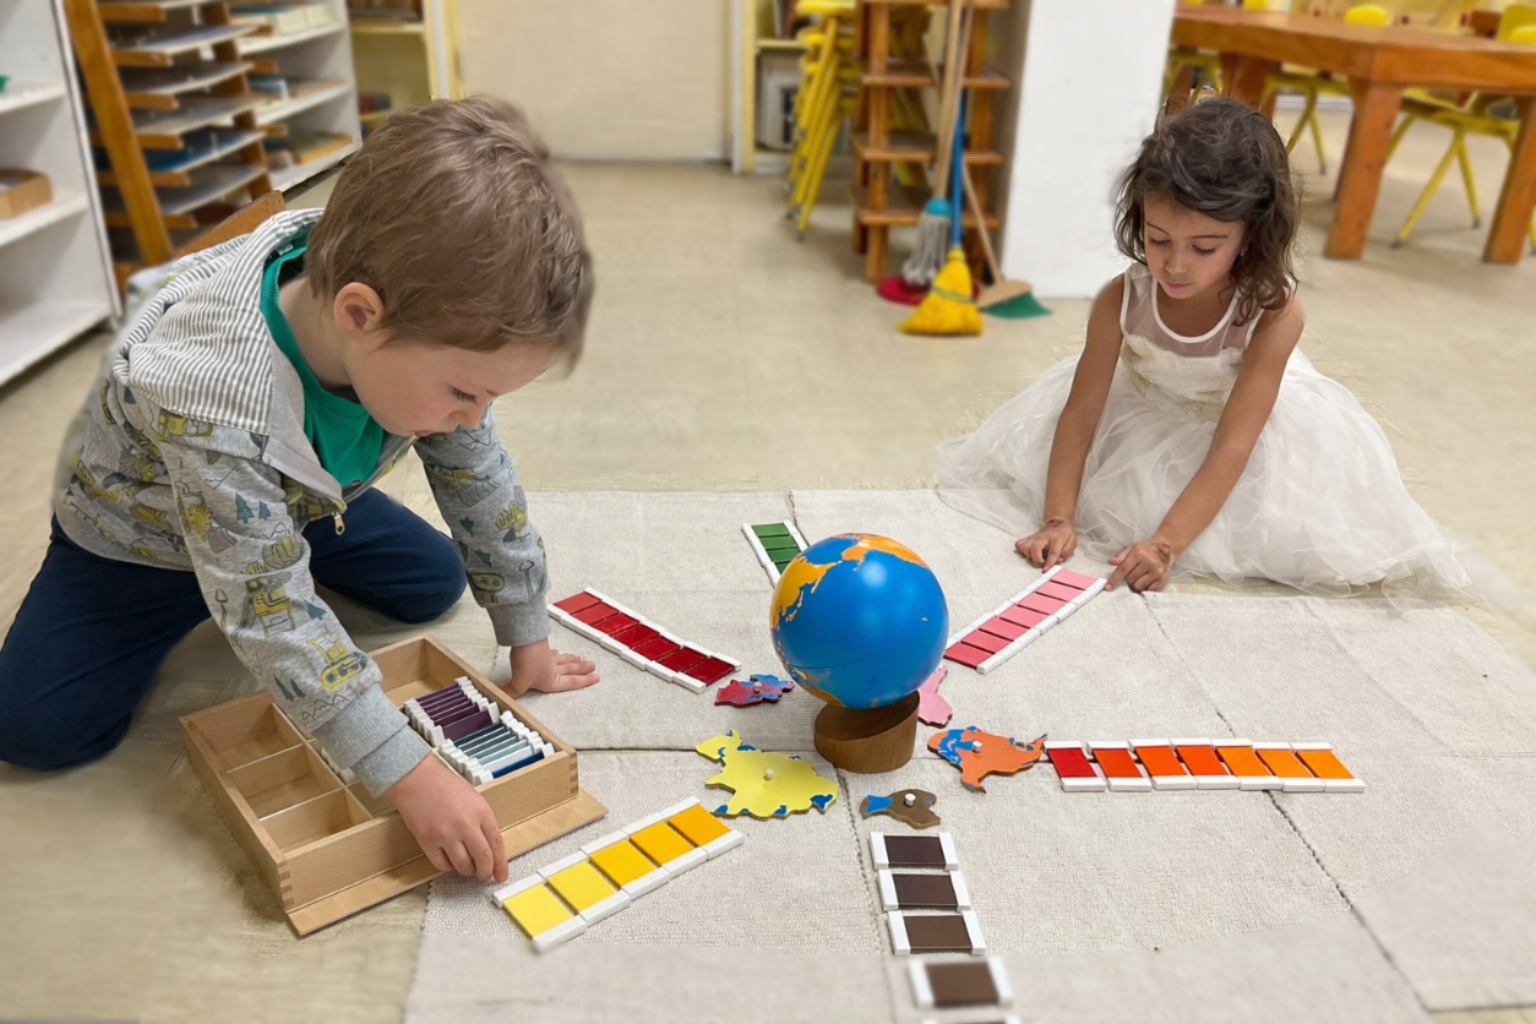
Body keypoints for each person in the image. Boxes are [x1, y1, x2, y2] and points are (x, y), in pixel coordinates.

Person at [0, 97, 599, 886]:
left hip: (289, 502)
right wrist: (409, 774)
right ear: (360, 314)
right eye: (465, 392)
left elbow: (478, 476)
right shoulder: (214, 394)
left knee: (433, 583)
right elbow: (264, 610)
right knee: (35, 728)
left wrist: (525, 629)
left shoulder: (420, 318)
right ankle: (255, 561)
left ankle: (290, 539)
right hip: (137, 545)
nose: (474, 416)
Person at [938, 97, 1471, 598]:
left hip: (1237, 430)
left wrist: (1165, 543)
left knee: (1282, 536)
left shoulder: (1275, 315)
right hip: (1141, 409)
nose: (1174, 265)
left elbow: (1233, 444)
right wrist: (1058, 518)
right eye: (1158, 238)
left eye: (1205, 247)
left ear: (1252, 236)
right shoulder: (1121, 299)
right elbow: (1081, 414)